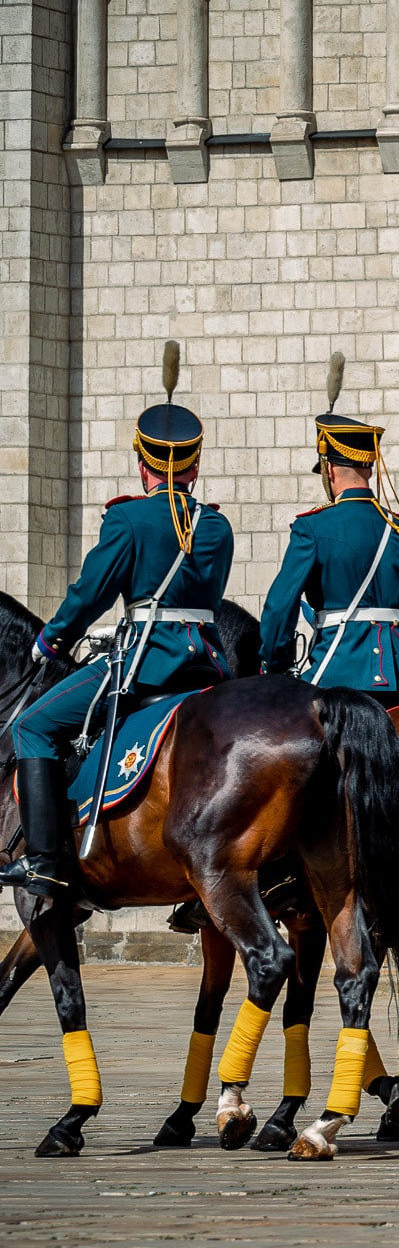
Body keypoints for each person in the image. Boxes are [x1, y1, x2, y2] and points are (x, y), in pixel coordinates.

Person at [0, 372, 234, 897]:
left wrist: (51, 640)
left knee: (33, 727)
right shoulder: (217, 527)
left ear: (142, 462)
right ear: (194, 467)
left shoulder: (127, 519)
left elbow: (90, 594)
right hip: (207, 665)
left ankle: (43, 861)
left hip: (147, 661)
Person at [261, 408, 399, 698]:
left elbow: (279, 607)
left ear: (330, 470)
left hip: (337, 669)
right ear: (369, 469)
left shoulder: (312, 527)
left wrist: (276, 664)